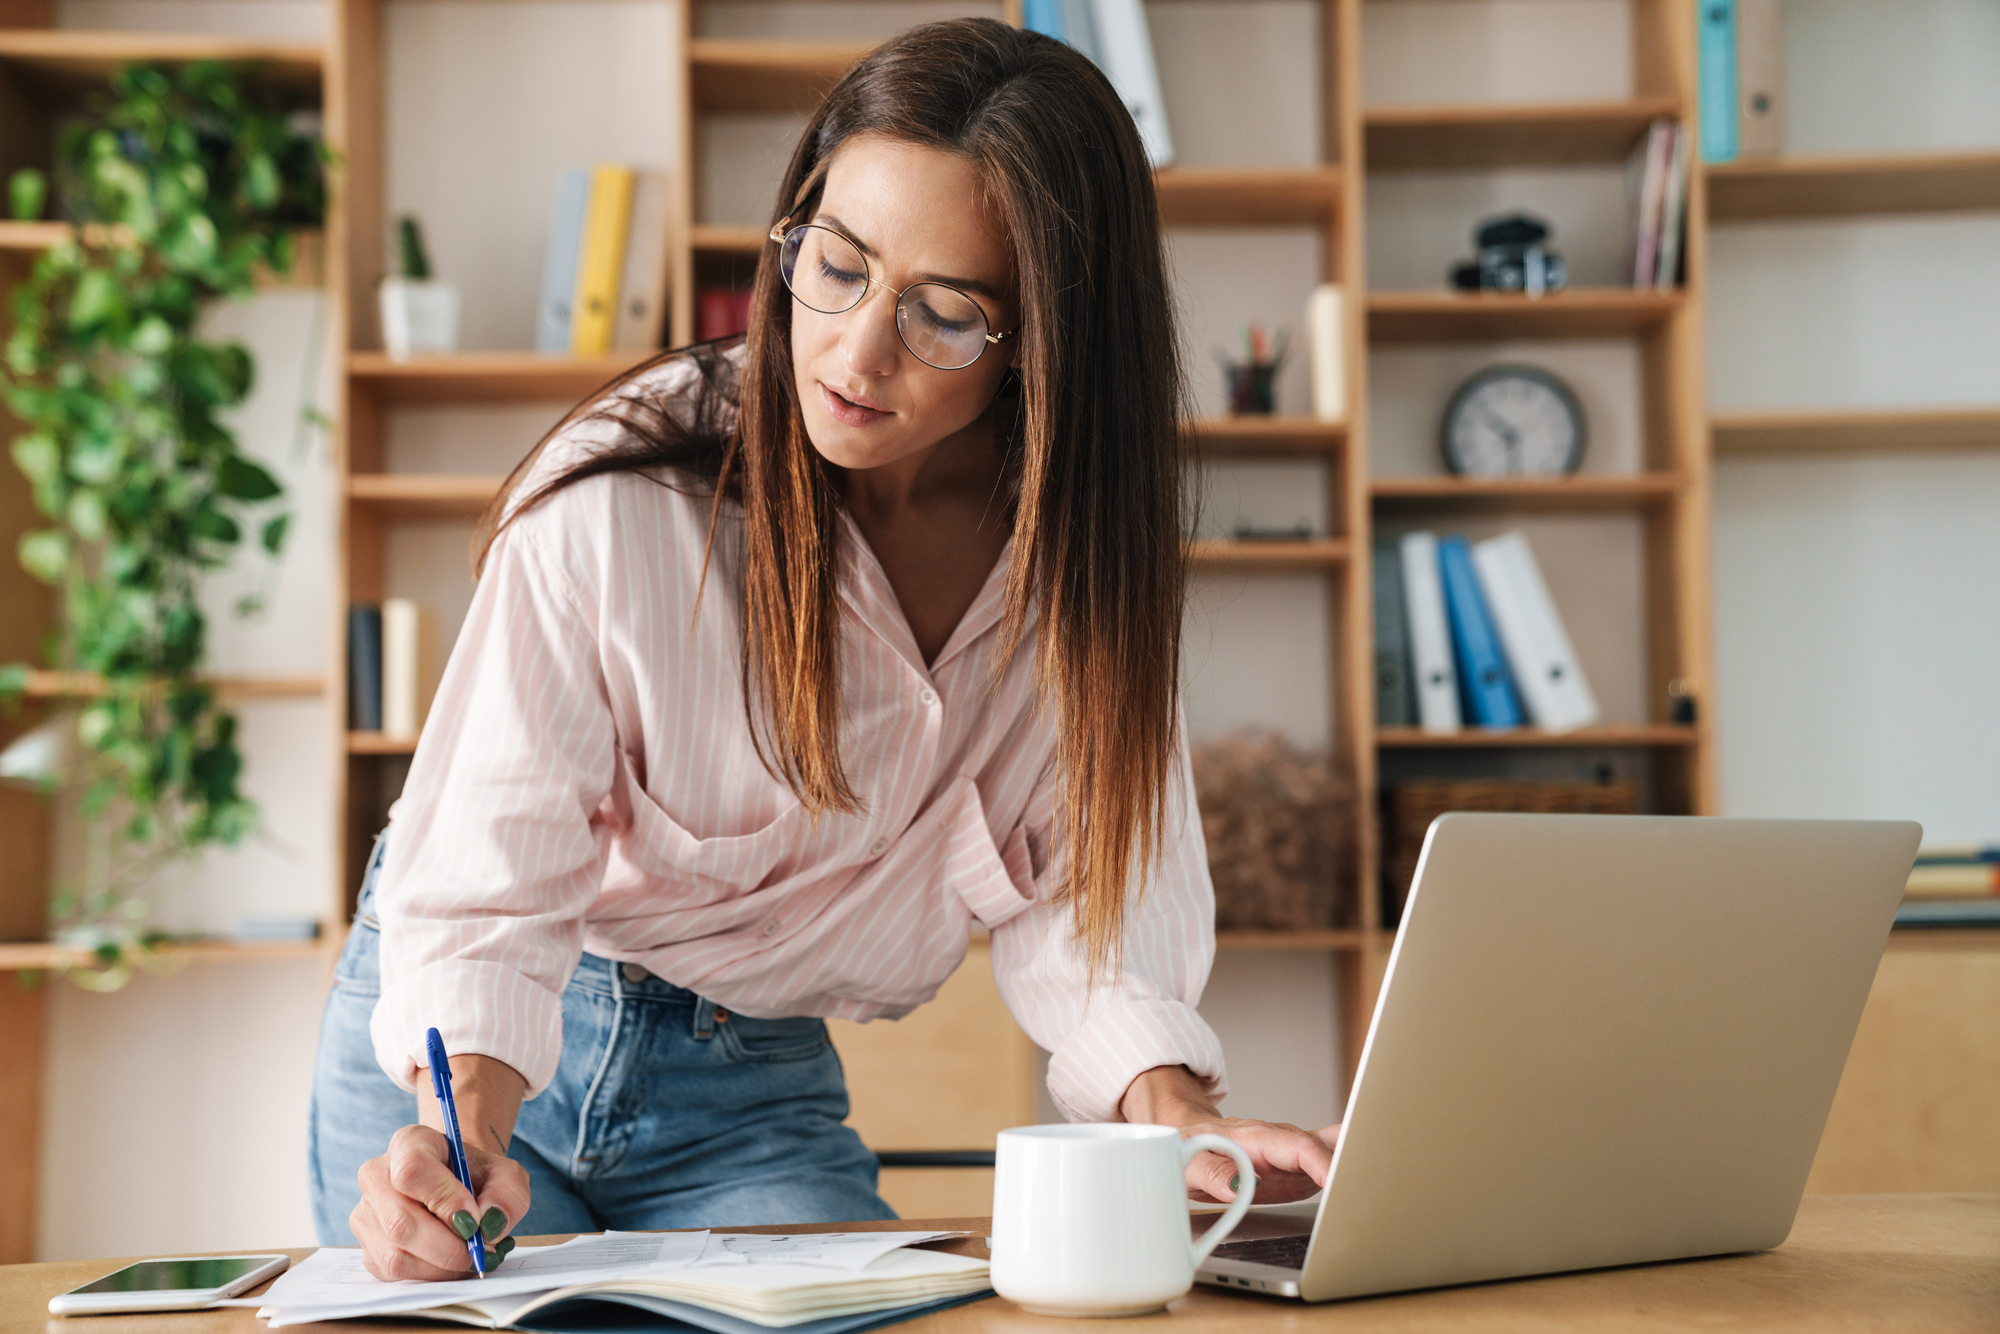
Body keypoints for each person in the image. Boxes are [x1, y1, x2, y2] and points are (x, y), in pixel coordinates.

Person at [308, 16, 1342, 1282]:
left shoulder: (1071, 569)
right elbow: (490, 875)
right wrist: (458, 1140)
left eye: (945, 313)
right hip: (481, 1047)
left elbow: (1090, 896)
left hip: (750, 1078)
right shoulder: (621, 499)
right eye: (836, 266)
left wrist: (1183, 1122)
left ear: (1045, 343)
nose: (853, 352)